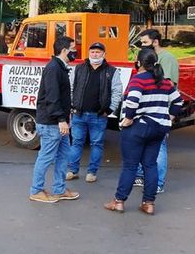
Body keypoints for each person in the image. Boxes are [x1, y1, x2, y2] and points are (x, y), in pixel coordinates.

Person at [104, 49, 183, 215]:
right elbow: (178, 101)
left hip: (138, 127)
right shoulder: (165, 82)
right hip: (159, 128)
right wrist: (169, 117)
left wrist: (129, 118)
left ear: (139, 63)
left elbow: (132, 101)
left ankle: (119, 201)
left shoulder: (138, 79)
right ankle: (149, 203)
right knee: (150, 164)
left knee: (130, 166)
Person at [29, 36, 80, 203]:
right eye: (73, 48)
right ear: (64, 50)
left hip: (60, 122)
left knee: (63, 155)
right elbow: (52, 97)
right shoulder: (53, 68)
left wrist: (67, 117)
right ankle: (36, 190)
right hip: (51, 123)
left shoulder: (61, 67)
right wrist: (61, 119)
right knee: (46, 157)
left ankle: (59, 189)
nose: (75, 51)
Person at [66, 42, 123, 183]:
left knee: (96, 144)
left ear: (104, 54)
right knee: (76, 143)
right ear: (88, 53)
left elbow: (117, 92)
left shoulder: (112, 71)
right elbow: (71, 87)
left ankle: (92, 172)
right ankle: (72, 170)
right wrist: (72, 105)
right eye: (92, 52)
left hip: (99, 116)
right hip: (79, 114)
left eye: (98, 52)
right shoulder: (79, 68)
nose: (95, 54)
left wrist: (110, 109)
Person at [134, 29, 180, 193]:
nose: (142, 46)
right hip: (143, 114)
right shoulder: (144, 57)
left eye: (145, 42)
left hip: (160, 115)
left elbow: (171, 91)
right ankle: (140, 175)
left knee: (159, 148)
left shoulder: (168, 59)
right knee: (141, 145)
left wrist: (169, 116)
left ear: (155, 42)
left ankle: (158, 182)